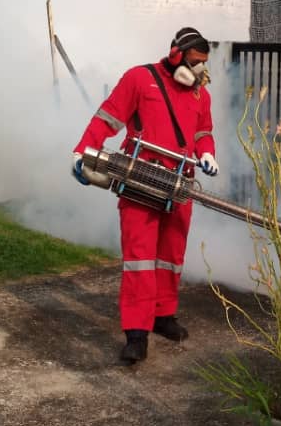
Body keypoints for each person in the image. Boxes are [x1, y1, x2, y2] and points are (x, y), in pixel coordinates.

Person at [72, 27, 219, 365]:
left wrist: (208, 152)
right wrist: (82, 152)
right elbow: (108, 118)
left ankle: (163, 315)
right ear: (176, 55)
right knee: (139, 257)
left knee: (171, 254)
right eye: (194, 61)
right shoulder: (139, 79)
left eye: (203, 63)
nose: (199, 70)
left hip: (180, 184)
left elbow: (203, 132)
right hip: (140, 180)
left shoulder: (201, 96)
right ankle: (136, 333)